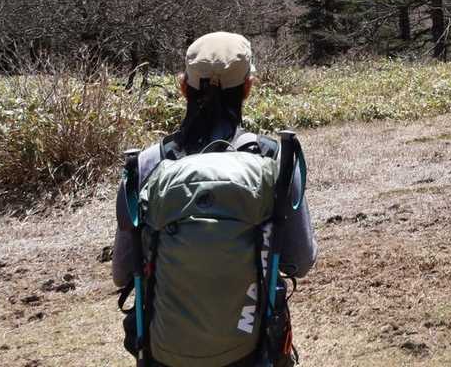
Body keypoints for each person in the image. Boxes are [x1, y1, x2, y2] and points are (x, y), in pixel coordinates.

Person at [113, 33, 316, 366]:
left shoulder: (147, 164)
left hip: (166, 354)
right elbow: (300, 261)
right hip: (253, 352)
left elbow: (123, 273)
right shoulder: (274, 161)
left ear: (183, 87)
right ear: (248, 87)